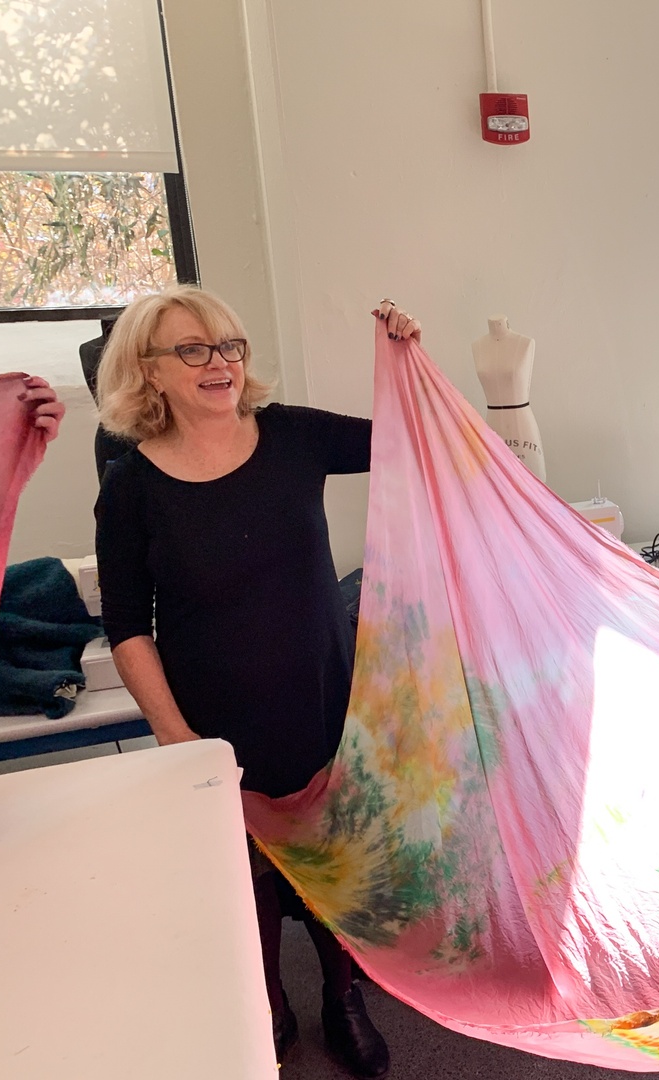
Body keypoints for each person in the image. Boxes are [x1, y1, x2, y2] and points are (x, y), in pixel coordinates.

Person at [94, 286, 420, 1079]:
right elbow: (129, 626)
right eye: (195, 349)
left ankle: (343, 1002)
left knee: (330, 864)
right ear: (149, 370)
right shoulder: (132, 484)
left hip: (318, 697)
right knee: (251, 880)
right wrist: (179, 743)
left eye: (230, 345)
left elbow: (415, 440)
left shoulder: (293, 436)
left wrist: (406, 358)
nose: (222, 363)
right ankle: (267, 1005)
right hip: (214, 718)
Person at [471, 314, 547, 480]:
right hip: (492, 425)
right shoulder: (478, 346)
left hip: (522, 427)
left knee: (532, 491)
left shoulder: (525, 343)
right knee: (497, 490)